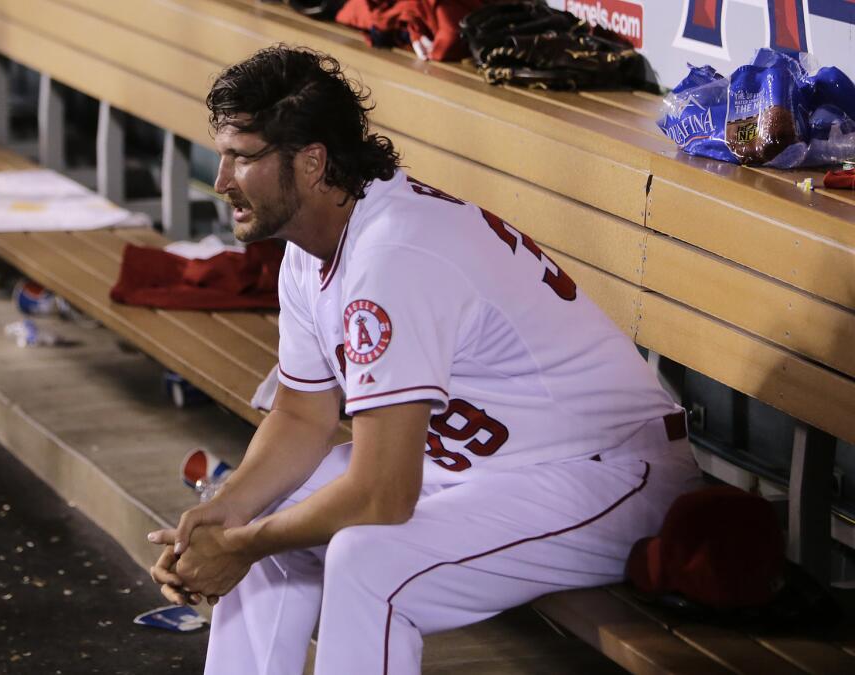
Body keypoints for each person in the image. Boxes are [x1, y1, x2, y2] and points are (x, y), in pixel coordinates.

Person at [147, 45, 702, 675]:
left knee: (367, 564)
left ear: (311, 162)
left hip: (607, 475)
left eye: (243, 158)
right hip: (482, 468)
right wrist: (226, 514)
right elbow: (303, 415)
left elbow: (383, 493)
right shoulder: (315, 241)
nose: (220, 180)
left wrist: (241, 544)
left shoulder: (394, 256)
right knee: (267, 515)